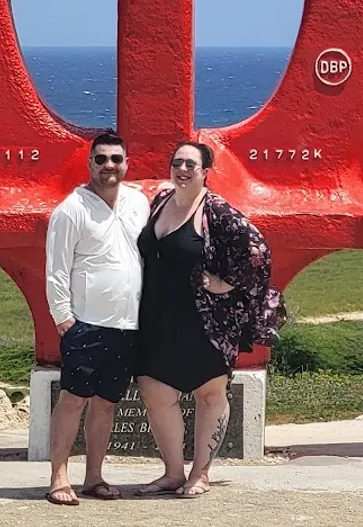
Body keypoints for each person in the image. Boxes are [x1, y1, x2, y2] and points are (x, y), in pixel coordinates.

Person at [136, 140, 286, 498]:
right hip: (157, 316)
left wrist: (225, 283)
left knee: (210, 393)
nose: (183, 170)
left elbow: (258, 253)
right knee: (156, 392)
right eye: (177, 163)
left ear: (206, 172)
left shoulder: (217, 212)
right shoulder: (159, 203)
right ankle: (173, 472)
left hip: (205, 321)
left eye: (191, 164)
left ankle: (200, 474)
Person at [44, 130, 149, 505]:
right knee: (73, 399)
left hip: (127, 324)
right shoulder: (71, 210)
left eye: (116, 159)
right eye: (101, 159)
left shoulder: (139, 203)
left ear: (126, 163)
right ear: (90, 163)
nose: (109, 166)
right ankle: (59, 477)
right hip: (85, 324)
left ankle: (94, 477)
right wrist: (64, 320)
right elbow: (57, 269)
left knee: (107, 402)